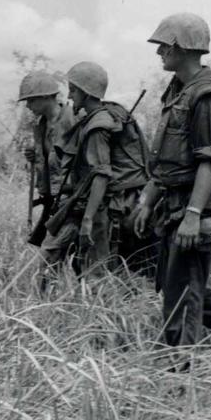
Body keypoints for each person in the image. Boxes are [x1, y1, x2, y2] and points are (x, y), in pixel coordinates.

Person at [133, 13, 211, 361]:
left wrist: (193, 215)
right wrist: (147, 201)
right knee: (174, 285)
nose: (159, 53)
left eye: (164, 46)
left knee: (182, 297)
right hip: (172, 204)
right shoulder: (179, 92)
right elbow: (168, 160)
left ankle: (179, 376)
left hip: (193, 208)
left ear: (180, 48)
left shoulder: (205, 96)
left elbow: (209, 161)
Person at [37, 61, 148, 289]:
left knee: (96, 272)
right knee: (72, 260)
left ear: (86, 93)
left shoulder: (98, 125)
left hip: (102, 206)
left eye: (74, 90)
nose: (70, 96)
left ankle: (101, 316)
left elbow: (101, 174)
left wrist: (88, 219)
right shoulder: (105, 115)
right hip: (95, 201)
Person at [17, 70, 77, 211]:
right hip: (52, 197)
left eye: (31, 100)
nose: (28, 105)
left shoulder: (72, 119)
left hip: (72, 198)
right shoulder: (41, 125)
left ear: (45, 97)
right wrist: (36, 155)